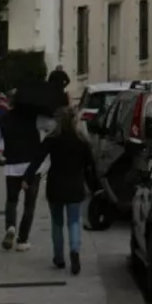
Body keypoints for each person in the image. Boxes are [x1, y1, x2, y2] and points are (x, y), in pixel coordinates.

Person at [23, 107, 98, 275]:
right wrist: (94, 186)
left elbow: (37, 159)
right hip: (75, 186)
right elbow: (90, 166)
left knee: (57, 223)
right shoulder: (82, 142)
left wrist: (27, 178)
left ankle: (59, 257)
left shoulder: (52, 140)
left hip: (55, 186)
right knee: (74, 221)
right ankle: (75, 251)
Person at [0, 87, 55, 251]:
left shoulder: (4, 120)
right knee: (29, 205)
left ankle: (10, 227)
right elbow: (52, 126)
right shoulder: (35, 118)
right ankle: (23, 240)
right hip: (32, 168)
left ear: (10, 103)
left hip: (12, 168)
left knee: (11, 201)